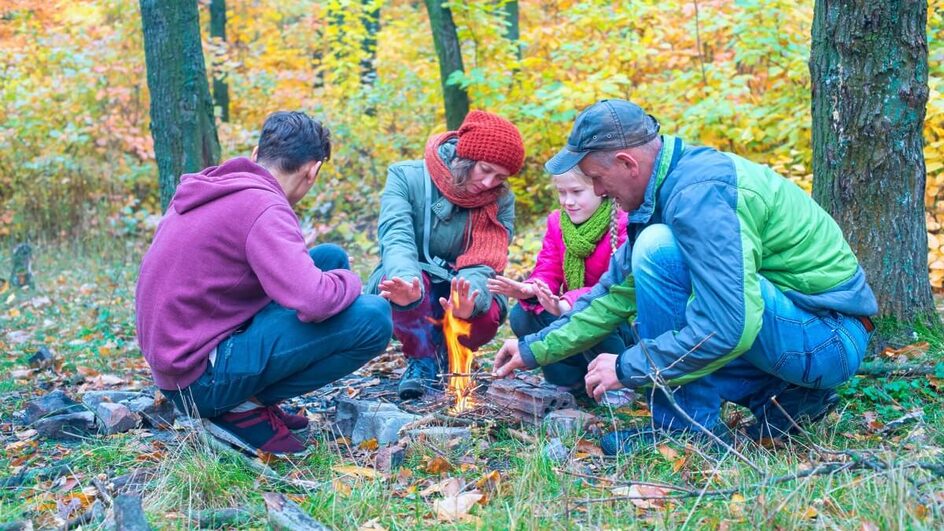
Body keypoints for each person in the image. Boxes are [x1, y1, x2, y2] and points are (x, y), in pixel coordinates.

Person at [494, 99, 877, 455]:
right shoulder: (668, 190)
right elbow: (614, 294)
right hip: (800, 328)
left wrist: (628, 367)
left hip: (826, 336)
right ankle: (781, 397)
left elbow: (731, 326)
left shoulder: (699, 196)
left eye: (597, 177)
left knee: (660, 251)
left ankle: (685, 428)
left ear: (628, 163)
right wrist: (533, 349)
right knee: (666, 282)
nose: (598, 190)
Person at [136, 111, 393, 455]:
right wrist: (352, 282)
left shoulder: (218, 188)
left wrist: (333, 280)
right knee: (374, 317)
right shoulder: (264, 206)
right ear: (312, 171)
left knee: (329, 258)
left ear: (257, 154)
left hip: (182, 359)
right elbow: (315, 300)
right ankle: (242, 410)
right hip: (199, 381)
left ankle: (246, 401)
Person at [367, 110, 524, 400]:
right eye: (485, 169)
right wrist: (406, 281)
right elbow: (396, 237)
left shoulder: (501, 201)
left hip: (464, 281)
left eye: (499, 177)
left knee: (485, 309)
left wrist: (469, 301)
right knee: (399, 286)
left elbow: (486, 261)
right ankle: (422, 361)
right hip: (416, 279)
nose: (488, 183)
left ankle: (453, 356)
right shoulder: (405, 176)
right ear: (466, 156)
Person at [487, 167, 629, 396]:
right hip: (572, 306)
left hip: (617, 320)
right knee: (523, 316)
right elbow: (549, 266)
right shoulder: (558, 223)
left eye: (576, 192)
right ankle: (569, 382)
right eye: (562, 193)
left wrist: (567, 303)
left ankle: (614, 386)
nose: (568, 201)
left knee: (589, 316)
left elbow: (613, 287)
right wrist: (531, 288)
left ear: (601, 188)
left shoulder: (622, 223)